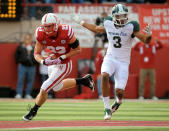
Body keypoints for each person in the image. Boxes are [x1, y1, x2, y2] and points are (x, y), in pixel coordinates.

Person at [72, 3, 152, 120]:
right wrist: (81, 22)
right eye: (119, 16)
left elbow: (146, 40)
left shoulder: (131, 26)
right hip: (110, 57)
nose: (122, 18)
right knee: (104, 75)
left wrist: (149, 34)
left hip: (123, 62)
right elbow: (96, 29)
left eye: (124, 15)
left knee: (119, 92)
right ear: (114, 16)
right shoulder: (108, 23)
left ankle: (118, 102)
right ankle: (107, 108)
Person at [22, 13, 95, 121]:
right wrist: (42, 61)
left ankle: (33, 111)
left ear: (56, 25)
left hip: (64, 64)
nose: (46, 28)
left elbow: (78, 49)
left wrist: (62, 57)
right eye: (45, 26)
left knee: (45, 87)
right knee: (56, 87)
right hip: (52, 63)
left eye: (49, 26)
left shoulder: (66, 31)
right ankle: (84, 81)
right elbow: (36, 53)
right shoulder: (40, 33)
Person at [15, 33, 37, 99]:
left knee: (30, 81)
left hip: (32, 67)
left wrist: (35, 63)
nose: (27, 40)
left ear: (31, 40)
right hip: (22, 66)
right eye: (26, 39)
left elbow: (37, 56)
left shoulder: (34, 47)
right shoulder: (21, 47)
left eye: (29, 39)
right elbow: (16, 56)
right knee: (20, 80)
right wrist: (19, 62)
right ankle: (19, 93)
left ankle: (28, 94)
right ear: (24, 39)